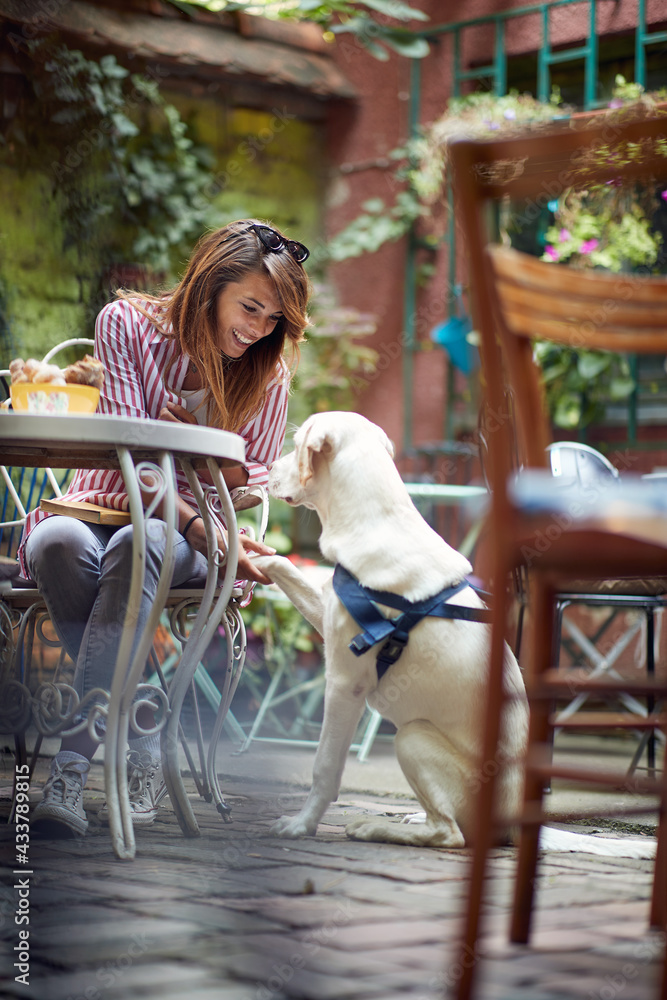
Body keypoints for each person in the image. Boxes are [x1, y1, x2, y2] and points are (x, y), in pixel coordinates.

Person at [20, 219, 311, 837]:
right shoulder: (124, 326)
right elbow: (130, 458)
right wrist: (193, 494)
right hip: (102, 505)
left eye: (273, 318)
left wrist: (206, 466)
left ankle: (70, 770)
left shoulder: (268, 371)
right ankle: (145, 723)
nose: (259, 329)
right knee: (53, 541)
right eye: (251, 307)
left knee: (145, 541)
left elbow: (254, 472)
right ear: (210, 284)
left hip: (180, 536)